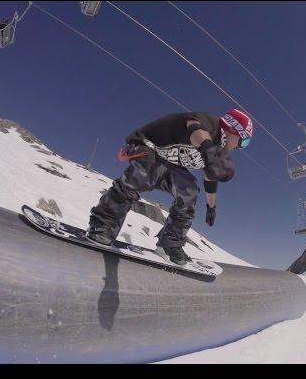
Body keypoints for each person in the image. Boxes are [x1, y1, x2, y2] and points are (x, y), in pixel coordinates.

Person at [87, 109, 253, 265]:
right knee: (143, 173)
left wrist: (211, 207)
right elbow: (193, 126)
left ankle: (169, 245)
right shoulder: (211, 124)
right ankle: (103, 225)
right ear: (233, 130)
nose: (239, 147)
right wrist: (207, 147)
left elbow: (210, 179)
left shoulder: (216, 150)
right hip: (147, 145)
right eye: (243, 142)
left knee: (189, 192)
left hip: (169, 165)